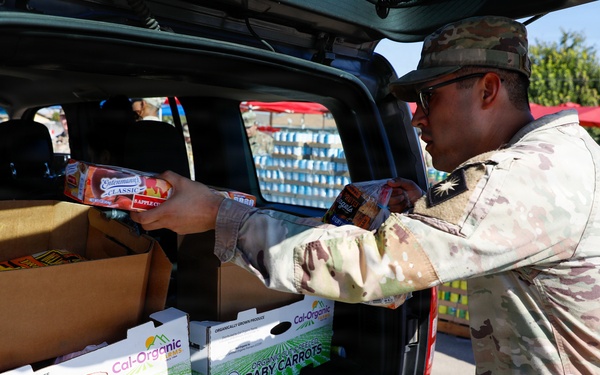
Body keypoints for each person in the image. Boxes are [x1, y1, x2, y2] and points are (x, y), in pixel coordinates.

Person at [131, 16, 600, 373]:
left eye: (428, 97)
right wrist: (424, 208)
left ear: (488, 89)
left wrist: (217, 214)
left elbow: (371, 265)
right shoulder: (557, 156)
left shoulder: (523, 177)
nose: (417, 118)